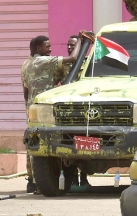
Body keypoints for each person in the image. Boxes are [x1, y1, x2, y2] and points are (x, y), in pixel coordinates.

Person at [22, 32, 94, 194]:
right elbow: (72, 60)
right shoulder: (44, 61)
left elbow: (26, 90)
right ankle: (41, 182)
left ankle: (33, 181)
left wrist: (29, 107)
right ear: (39, 47)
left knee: (33, 143)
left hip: (33, 108)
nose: (50, 49)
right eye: (47, 46)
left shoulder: (26, 64)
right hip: (46, 110)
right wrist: (82, 42)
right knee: (43, 146)